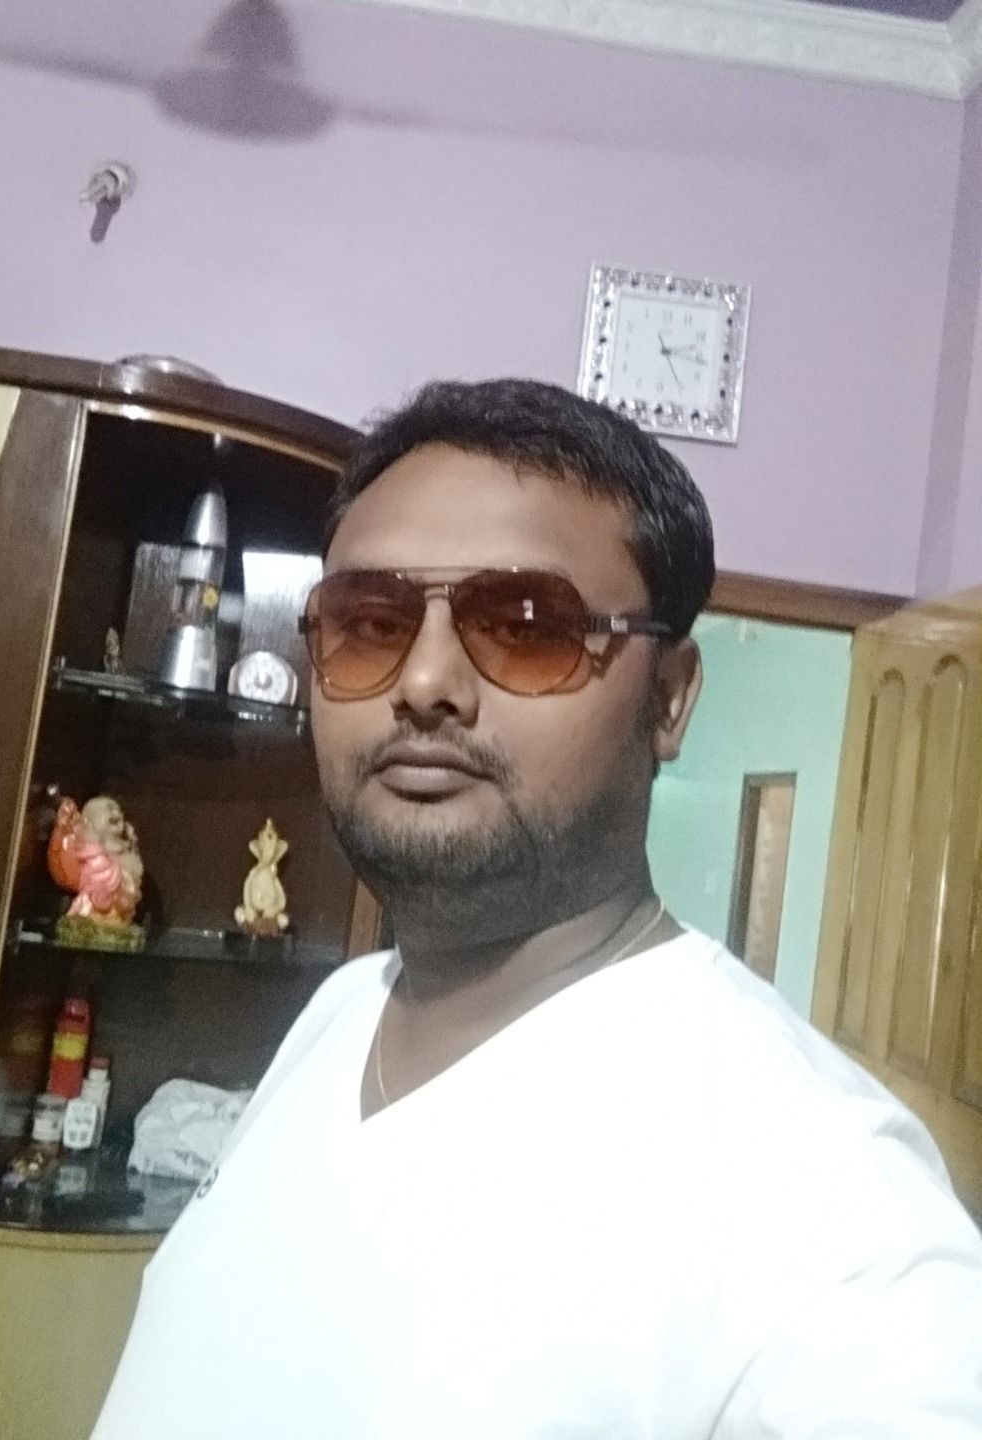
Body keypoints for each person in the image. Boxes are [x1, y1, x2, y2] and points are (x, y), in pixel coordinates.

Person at [92, 379, 982, 1439]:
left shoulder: (830, 1212)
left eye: (524, 626)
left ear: (669, 698)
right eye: (371, 623)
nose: (424, 680)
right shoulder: (342, 1009)